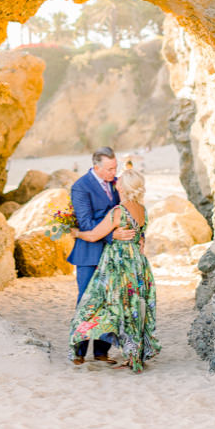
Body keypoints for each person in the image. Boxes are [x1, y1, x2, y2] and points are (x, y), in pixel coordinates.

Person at [68, 167, 160, 372]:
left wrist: (76, 233)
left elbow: (93, 235)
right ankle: (133, 357)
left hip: (118, 265)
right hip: (137, 265)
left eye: (119, 182)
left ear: (124, 187)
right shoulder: (143, 210)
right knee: (134, 309)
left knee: (95, 303)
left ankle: (81, 347)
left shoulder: (118, 212)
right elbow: (141, 239)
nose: (116, 182)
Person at [66, 146, 134, 364]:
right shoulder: (81, 187)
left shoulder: (116, 185)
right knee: (86, 300)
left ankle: (101, 352)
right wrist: (113, 234)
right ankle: (79, 351)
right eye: (109, 169)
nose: (114, 173)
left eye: (115, 168)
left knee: (108, 301)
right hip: (88, 253)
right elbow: (85, 223)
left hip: (111, 254)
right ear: (96, 167)